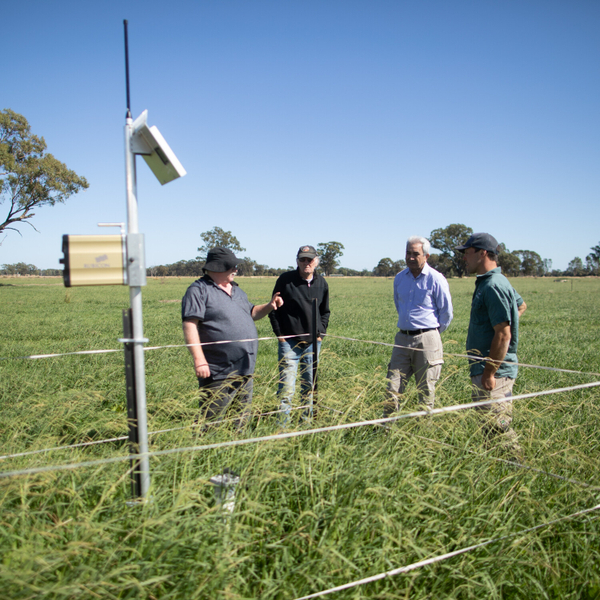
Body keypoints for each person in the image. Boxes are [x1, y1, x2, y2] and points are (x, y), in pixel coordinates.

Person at [182, 247, 283, 430]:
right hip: (217, 370)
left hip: (245, 368)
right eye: (232, 266)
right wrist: (199, 360)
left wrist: (269, 305)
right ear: (218, 267)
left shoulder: (237, 291)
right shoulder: (198, 290)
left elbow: (252, 312)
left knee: (240, 421)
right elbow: (190, 325)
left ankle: (235, 451)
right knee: (210, 422)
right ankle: (204, 453)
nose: (236, 270)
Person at [456, 232, 527, 453]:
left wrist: (489, 372)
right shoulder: (489, 282)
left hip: (494, 372)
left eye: (467, 252)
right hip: (486, 368)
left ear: (482, 253)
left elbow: (503, 334)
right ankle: (496, 471)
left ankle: (516, 470)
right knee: (487, 427)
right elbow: (520, 306)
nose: (464, 258)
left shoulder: (493, 285)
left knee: (499, 426)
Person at [384, 236, 453, 414]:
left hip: (428, 339)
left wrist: (432, 333)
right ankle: (386, 429)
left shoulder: (436, 279)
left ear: (426, 256)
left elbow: (446, 313)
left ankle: (424, 429)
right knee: (392, 386)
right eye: (408, 253)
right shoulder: (399, 278)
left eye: (416, 254)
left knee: (426, 389)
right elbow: (398, 305)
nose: (411, 257)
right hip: (402, 338)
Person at [269, 245, 330, 425]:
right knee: (286, 389)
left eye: (309, 259)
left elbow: (325, 311)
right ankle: (283, 428)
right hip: (289, 343)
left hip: (313, 344)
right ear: (297, 261)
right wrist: (280, 336)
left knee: (309, 387)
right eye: (302, 259)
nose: (306, 263)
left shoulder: (322, 283)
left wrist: (321, 334)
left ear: (316, 261)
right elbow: (273, 309)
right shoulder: (285, 280)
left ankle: (306, 424)